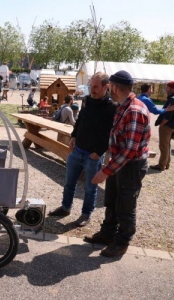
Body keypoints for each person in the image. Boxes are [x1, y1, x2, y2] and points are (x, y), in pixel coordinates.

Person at [86, 70, 151, 258]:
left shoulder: (134, 111)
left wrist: (105, 171)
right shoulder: (123, 105)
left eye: (110, 87)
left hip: (131, 166)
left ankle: (122, 242)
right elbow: (117, 139)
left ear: (114, 87)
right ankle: (107, 234)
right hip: (119, 163)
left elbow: (130, 150)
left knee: (125, 205)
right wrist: (109, 163)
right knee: (112, 201)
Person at [48, 72, 118, 228]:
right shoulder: (86, 100)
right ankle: (65, 207)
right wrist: (73, 136)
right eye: (90, 86)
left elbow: (110, 133)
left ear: (106, 87)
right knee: (68, 183)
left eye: (95, 87)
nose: (92, 89)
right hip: (78, 150)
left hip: (93, 155)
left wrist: (99, 152)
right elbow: (80, 120)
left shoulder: (111, 107)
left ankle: (86, 214)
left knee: (89, 188)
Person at [151, 81, 174, 171]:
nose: (166, 89)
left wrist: (162, 124)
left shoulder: (173, 99)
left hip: (167, 126)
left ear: (172, 88)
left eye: (167, 87)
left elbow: (168, 115)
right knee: (167, 145)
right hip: (173, 125)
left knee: (163, 146)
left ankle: (161, 165)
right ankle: (166, 163)